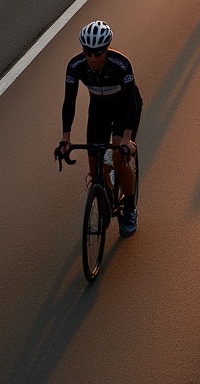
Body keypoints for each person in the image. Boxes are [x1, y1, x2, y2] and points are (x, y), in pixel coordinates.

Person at [59, 21, 143, 237]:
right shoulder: (75, 66)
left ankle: (130, 209)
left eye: (98, 53)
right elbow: (69, 102)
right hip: (98, 109)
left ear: (107, 49)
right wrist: (65, 138)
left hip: (125, 108)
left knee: (118, 156)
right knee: (94, 166)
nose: (93, 58)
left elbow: (132, 104)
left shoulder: (121, 64)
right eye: (88, 53)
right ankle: (104, 189)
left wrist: (126, 139)